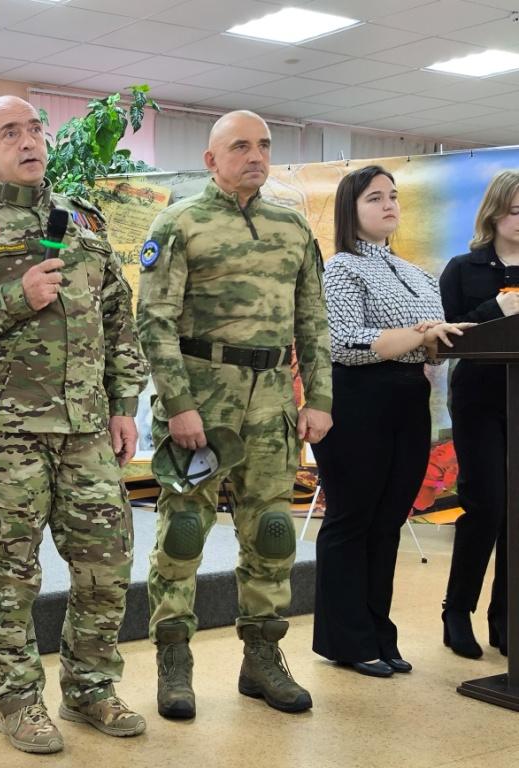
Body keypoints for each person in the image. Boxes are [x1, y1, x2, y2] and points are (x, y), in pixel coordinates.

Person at [0, 95, 148, 754]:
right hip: (3, 430)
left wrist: (124, 403)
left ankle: (89, 688)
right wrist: (15, 298)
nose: (28, 141)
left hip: (85, 427)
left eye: (34, 129)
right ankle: (17, 701)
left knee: (106, 563)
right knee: (12, 571)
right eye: (9, 132)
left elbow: (116, 315)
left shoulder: (83, 218)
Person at [137, 110, 332, 718]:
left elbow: (313, 320)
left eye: (264, 146)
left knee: (272, 531)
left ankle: (262, 658)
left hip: (272, 399)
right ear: (211, 160)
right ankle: (174, 660)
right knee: (183, 531)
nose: (256, 156)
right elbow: (154, 321)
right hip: (201, 397)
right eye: (241, 146)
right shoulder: (179, 223)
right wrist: (178, 404)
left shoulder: (292, 227)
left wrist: (319, 398)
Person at [311, 165, 471, 678]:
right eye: (375, 198)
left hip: (408, 396)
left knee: (388, 522)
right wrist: (419, 335)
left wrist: (435, 338)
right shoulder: (341, 269)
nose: (389, 205)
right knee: (352, 518)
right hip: (357, 397)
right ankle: (345, 639)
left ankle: (379, 633)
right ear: (350, 209)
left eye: (393, 196)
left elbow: (431, 347)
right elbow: (347, 344)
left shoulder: (419, 274)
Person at [439, 169, 519, 659]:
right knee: (486, 506)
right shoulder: (462, 268)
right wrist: (495, 308)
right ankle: (457, 610)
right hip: (479, 402)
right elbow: (447, 337)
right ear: (494, 212)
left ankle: (506, 616)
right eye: (516, 210)